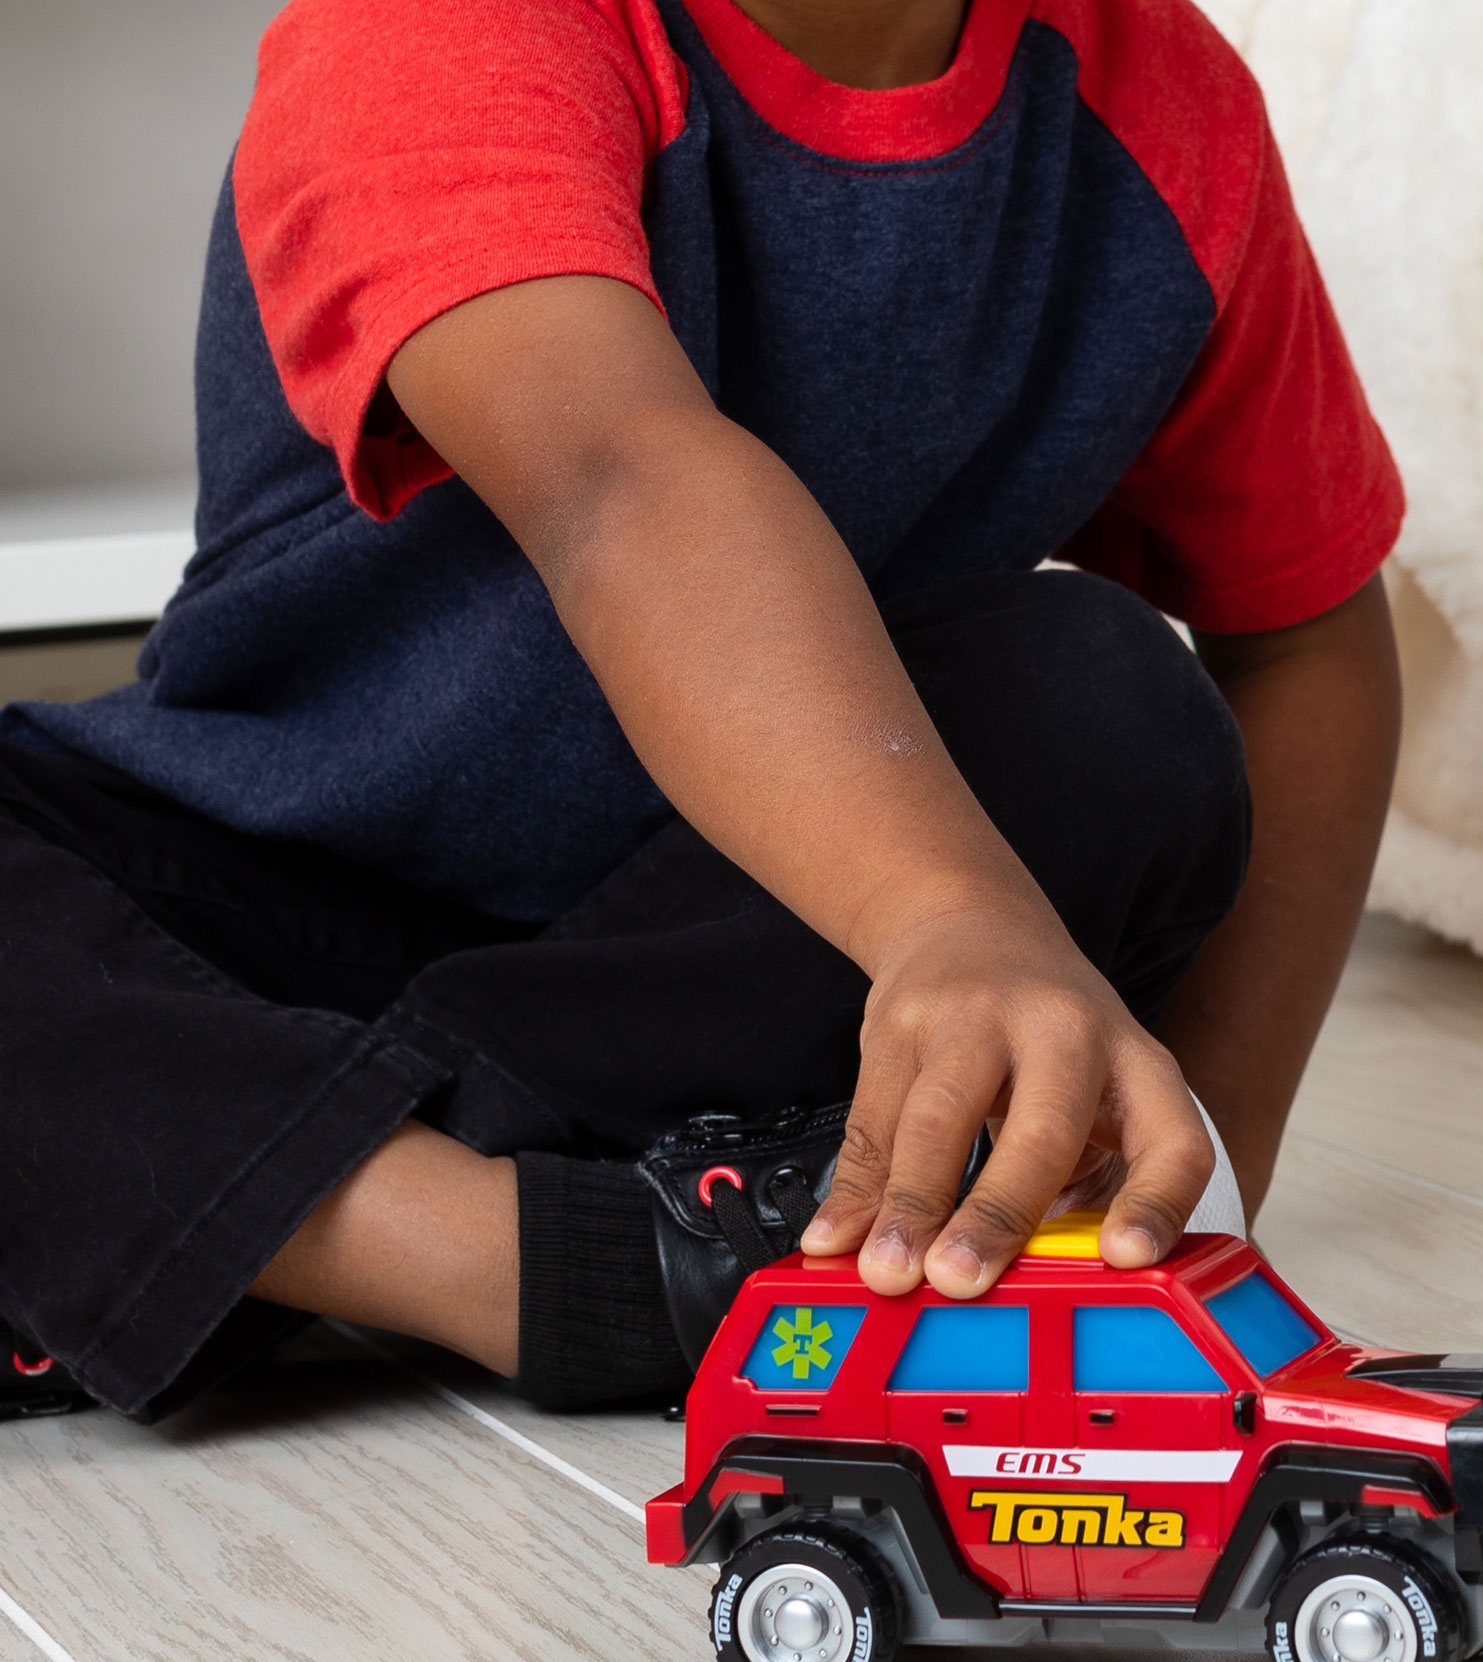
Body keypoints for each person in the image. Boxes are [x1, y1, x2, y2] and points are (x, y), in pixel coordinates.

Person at [0, 0, 1402, 1423]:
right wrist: (942, 913)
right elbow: (615, 476)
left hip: (718, 957)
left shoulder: (1167, 114)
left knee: (1103, 699)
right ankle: (510, 1264)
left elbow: (1305, 632)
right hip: (257, 906)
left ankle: (171, 1203)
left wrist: (1199, 1183)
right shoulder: (437, 27)